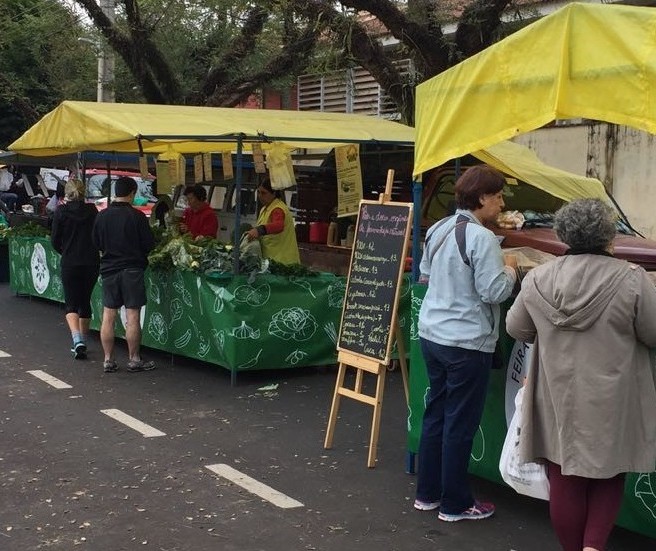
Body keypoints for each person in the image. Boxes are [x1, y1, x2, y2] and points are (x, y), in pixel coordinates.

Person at [505, 198, 656, 551]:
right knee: (609, 473)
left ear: (563, 233)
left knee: (563, 477)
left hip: (556, 394)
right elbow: (653, 333)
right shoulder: (631, 279)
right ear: (608, 236)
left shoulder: (539, 278)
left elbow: (516, 328)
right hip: (613, 394)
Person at [414, 165, 517, 521]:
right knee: (459, 424)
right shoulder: (483, 238)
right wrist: (511, 269)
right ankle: (455, 504)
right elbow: (494, 291)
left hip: (432, 334)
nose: (501, 203)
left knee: (436, 416)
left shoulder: (439, 228)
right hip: (466, 342)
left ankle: (427, 494)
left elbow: (426, 276)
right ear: (483, 197)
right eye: (499, 196)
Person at [92, 176, 156, 373]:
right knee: (132, 315)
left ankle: (108, 360)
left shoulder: (101, 216)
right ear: (132, 193)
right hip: (132, 270)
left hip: (109, 269)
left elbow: (96, 243)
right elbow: (149, 245)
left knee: (108, 315)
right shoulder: (137, 217)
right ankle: (134, 359)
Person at [50, 179, 100, 359]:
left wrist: (64, 251)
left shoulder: (61, 212)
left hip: (70, 261)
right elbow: (98, 235)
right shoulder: (93, 211)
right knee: (85, 301)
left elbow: (55, 240)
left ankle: (77, 340)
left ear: (67, 193)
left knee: (71, 302)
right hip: (91, 261)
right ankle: (83, 341)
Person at [245, 179, 300, 265]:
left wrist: (259, 230)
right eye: (258, 192)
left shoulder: (277, 209)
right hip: (271, 260)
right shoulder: (264, 209)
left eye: (263, 193)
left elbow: (278, 226)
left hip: (283, 262)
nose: (260, 196)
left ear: (274, 193)